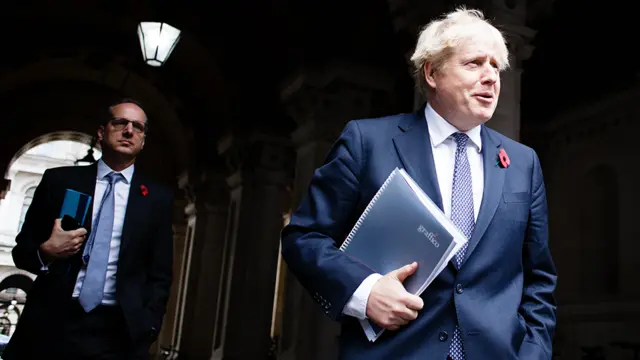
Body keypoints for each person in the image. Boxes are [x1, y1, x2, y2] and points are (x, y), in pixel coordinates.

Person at [281, 8, 557, 360]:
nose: (491, 77)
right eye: (474, 63)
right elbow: (303, 238)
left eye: (495, 66)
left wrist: (533, 354)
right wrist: (365, 292)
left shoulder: (523, 163)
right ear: (432, 72)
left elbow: (539, 280)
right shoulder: (368, 142)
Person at [4, 99, 174, 359]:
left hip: (119, 331)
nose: (129, 131)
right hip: (55, 322)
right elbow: (22, 251)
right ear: (101, 131)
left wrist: (149, 324)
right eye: (120, 123)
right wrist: (46, 252)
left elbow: (160, 273)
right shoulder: (59, 181)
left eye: (138, 127)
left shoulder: (156, 198)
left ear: (143, 140)